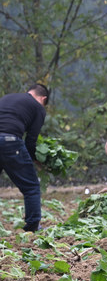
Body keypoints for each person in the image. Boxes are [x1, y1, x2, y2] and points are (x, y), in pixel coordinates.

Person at [0, 84, 50, 231]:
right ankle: (33, 226)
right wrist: (36, 159)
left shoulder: (7, 98)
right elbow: (31, 140)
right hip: (10, 141)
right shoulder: (38, 107)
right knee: (31, 187)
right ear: (43, 99)